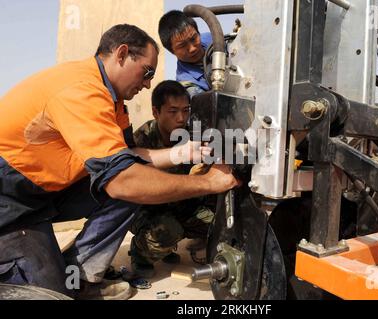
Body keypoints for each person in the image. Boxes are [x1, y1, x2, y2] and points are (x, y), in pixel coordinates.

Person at [0, 24, 238, 300]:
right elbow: (123, 181)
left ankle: (82, 275)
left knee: (130, 188)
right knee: (49, 295)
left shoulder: (112, 99)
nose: (149, 83)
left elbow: (129, 156)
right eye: (147, 72)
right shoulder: (81, 90)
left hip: (44, 193)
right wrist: (208, 182)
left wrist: (184, 153)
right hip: (11, 204)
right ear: (122, 54)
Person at [129, 80, 214, 279]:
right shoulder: (143, 139)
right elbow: (134, 185)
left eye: (186, 110)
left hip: (178, 201)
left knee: (214, 221)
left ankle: (166, 245)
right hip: (145, 208)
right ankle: (140, 251)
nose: (181, 118)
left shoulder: (190, 134)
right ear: (156, 112)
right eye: (173, 111)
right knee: (168, 230)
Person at [159, 10, 213, 97]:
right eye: (182, 46)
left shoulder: (212, 38)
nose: (192, 49)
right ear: (172, 51)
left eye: (193, 39)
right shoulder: (187, 84)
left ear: (198, 33)